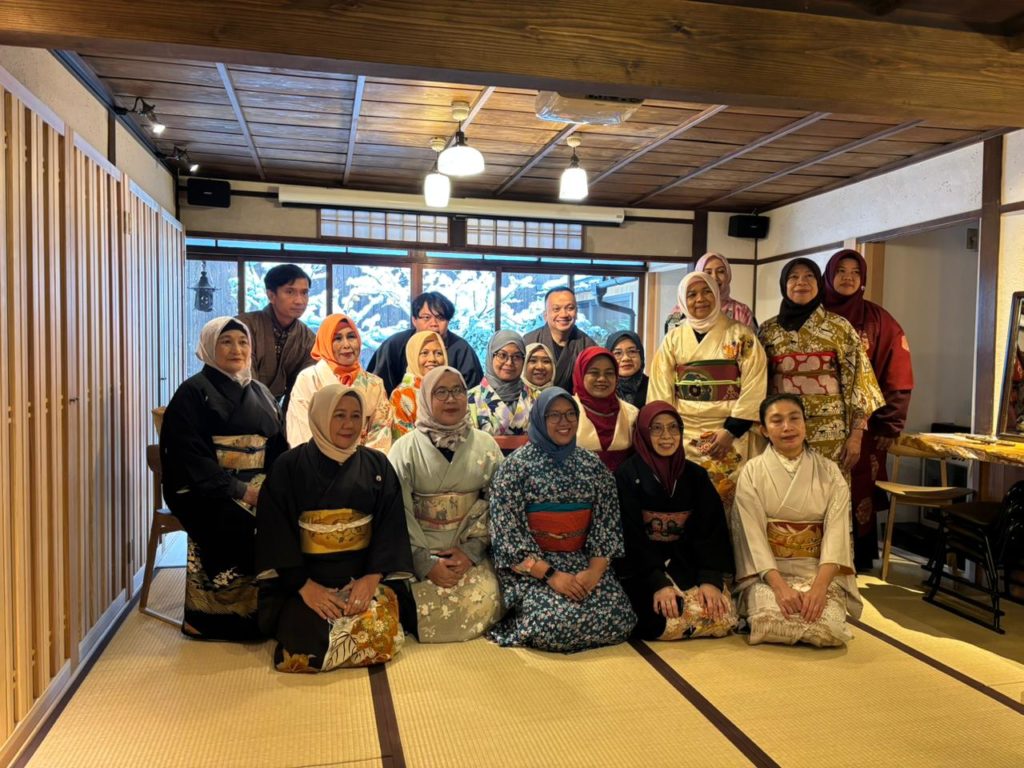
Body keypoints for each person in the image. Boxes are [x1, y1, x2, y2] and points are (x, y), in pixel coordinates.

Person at [256, 385, 414, 672]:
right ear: (320, 416)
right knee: (302, 648)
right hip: (306, 580)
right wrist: (304, 586)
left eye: (356, 416)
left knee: (381, 633)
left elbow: (390, 527)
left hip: (360, 578)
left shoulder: (377, 464)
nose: (348, 424)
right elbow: (275, 532)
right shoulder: (289, 466)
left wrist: (372, 578)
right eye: (339, 415)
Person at [159, 316, 286, 641]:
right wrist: (241, 490)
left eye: (243, 342)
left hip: (257, 484)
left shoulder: (259, 391)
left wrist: (275, 487)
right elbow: (189, 456)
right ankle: (206, 619)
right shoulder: (192, 393)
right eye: (226, 342)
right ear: (208, 347)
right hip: (206, 489)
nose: (236, 349)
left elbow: (277, 448)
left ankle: (268, 613)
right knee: (240, 523)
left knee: (286, 516)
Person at [487, 388, 636, 652]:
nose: (564, 422)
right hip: (535, 568)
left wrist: (593, 573)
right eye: (554, 415)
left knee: (620, 618)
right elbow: (508, 538)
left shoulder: (593, 466)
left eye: (570, 414)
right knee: (553, 624)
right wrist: (552, 576)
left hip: (582, 562)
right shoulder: (515, 468)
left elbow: (607, 526)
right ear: (539, 419)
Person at [732, 394, 863, 647]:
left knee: (829, 631)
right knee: (768, 623)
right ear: (764, 430)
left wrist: (819, 588)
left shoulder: (830, 472)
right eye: (776, 421)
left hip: (817, 573)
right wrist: (780, 587)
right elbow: (751, 536)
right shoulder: (752, 471)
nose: (787, 427)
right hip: (768, 575)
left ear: (805, 423)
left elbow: (837, 535)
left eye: (794, 419)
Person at [389, 366, 505, 642]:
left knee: (489, 597)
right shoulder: (404, 449)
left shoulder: (486, 445)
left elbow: (500, 506)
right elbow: (396, 512)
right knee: (410, 605)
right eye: (441, 392)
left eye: (457, 391)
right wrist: (425, 563)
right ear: (426, 398)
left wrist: (471, 552)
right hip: (418, 553)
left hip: (470, 550)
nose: (451, 399)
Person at [823, 249, 915, 569]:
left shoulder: (879, 320)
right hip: (815, 423)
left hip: (865, 427)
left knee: (859, 487)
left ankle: (857, 560)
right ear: (829, 275)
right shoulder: (813, 314)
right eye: (841, 271)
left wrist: (891, 423)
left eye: (855, 272)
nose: (848, 278)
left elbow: (898, 374)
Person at [614, 402, 737, 640]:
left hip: (686, 563)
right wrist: (658, 583)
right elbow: (630, 536)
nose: (666, 436)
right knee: (657, 621)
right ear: (643, 433)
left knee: (722, 616)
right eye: (656, 428)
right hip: (643, 569)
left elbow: (710, 531)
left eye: (673, 428)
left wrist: (709, 580)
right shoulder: (627, 475)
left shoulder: (695, 476)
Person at [649, 272, 766, 508]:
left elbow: (755, 384)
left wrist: (730, 430)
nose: (700, 299)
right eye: (692, 294)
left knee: (729, 500)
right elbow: (660, 389)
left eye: (706, 292)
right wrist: (668, 431)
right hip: (684, 433)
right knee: (686, 499)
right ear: (683, 301)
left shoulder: (742, 335)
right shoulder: (673, 339)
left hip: (729, 433)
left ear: (716, 294)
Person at [758, 258, 884, 474]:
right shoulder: (767, 330)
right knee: (782, 487)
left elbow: (861, 383)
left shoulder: (840, 327)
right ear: (784, 284)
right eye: (793, 277)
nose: (801, 282)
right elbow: (756, 383)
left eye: (809, 276)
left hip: (830, 433)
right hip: (783, 429)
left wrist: (856, 436)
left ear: (819, 283)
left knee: (828, 489)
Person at [287, 313, 394, 452]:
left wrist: (363, 462)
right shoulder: (309, 379)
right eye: (337, 338)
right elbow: (301, 430)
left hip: (362, 462)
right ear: (325, 343)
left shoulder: (374, 384)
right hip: (316, 461)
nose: (347, 345)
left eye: (351, 336)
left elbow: (380, 433)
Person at [368, 291, 483, 394]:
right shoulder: (394, 345)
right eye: (426, 317)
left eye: (440, 318)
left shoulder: (462, 349)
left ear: (448, 321)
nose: (434, 324)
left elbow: (474, 394)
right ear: (414, 320)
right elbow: (375, 386)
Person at [237, 264, 316, 402]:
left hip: (277, 409)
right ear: (271, 296)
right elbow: (242, 378)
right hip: (237, 404)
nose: (300, 301)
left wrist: (285, 415)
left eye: (304, 293)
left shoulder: (308, 338)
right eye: (290, 292)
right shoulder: (244, 327)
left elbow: (300, 390)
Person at [572, 348, 639, 473]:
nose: (602, 379)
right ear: (580, 374)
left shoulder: (631, 414)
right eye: (594, 373)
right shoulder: (567, 411)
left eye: (609, 373)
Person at [468, 330, 533, 453]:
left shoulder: (537, 398)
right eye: (502, 355)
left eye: (517, 357)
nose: (509, 362)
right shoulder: (470, 400)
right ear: (491, 356)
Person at [523, 286, 597, 393]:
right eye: (556, 309)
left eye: (570, 308)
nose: (564, 314)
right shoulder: (529, 341)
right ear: (545, 315)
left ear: (576, 312)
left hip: (574, 402)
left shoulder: (588, 345)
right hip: (533, 401)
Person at [665, 253, 757, 333]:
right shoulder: (679, 313)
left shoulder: (742, 311)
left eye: (720, 271)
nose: (714, 277)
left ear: (728, 275)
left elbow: (751, 344)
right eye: (708, 273)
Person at [391, 330, 447, 439]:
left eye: (438, 353)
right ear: (412, 356)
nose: (432, 359)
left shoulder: (452, 390)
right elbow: (404, 442)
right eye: (424, 353)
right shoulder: (402, 395)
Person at [606, 330, 649, 408]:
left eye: (632, 351)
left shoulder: (652, 387)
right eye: (618, 353)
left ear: (641, 356)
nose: (626, 358)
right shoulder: (603, 387)